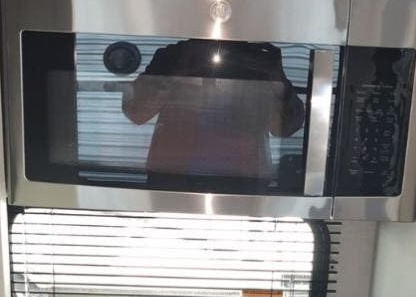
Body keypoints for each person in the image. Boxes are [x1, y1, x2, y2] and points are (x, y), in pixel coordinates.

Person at [122, 39, 305, 193]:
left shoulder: (258, 59)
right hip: (172, 184)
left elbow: (286, 127)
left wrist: (277, 79)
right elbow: (135, 112)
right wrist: (175, 71)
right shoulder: (176, 55)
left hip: (244, 188)